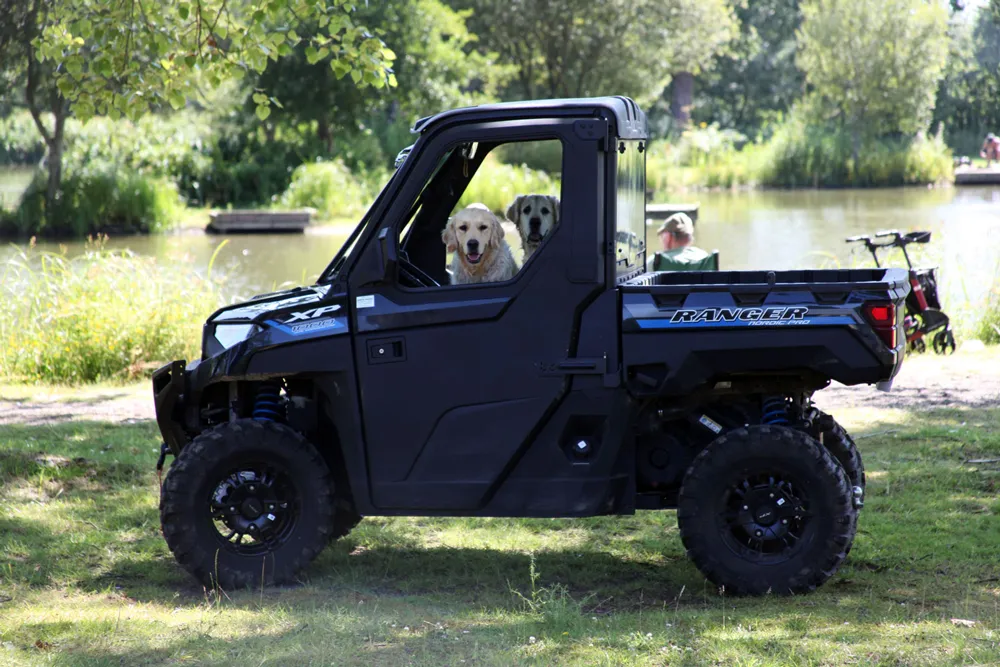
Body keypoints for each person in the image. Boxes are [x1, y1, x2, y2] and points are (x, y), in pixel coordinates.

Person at [648, 212, 715, 271]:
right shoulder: (705, 259)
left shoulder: (656, 261)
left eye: (662, 236)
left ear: (668, 237)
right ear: (690, 238)